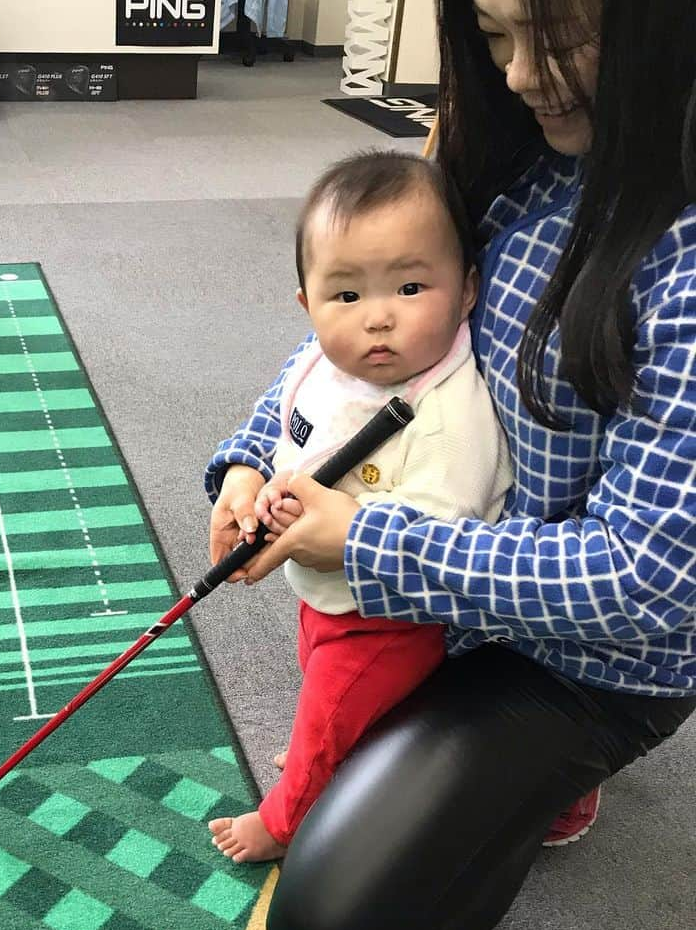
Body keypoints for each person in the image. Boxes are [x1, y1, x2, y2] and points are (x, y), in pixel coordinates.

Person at [206, 0, 695, 930]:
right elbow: (344, 346)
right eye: (491, 36)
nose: (521, 76)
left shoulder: (679, 260)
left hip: (588, 661)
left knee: (335, 927)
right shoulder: (511, 160)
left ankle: (550, 782)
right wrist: (255, 456)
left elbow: (645, 579)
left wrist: (366, 541)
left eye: (557, 39)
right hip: (449, 589)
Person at [206, 149, 512, 864]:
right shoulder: (320, 364)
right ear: (306, 305)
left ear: (467, 289)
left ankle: (285, 821)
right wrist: (248, 481)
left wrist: (343, 536)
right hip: (324, 594)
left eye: (409, 286)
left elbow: (444, 538)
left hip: (392, 619)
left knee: (329, 714)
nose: (376, 319)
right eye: (346, 297)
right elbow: (284, 436)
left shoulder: (450, 413)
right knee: (319, 677)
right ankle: (339, 739)